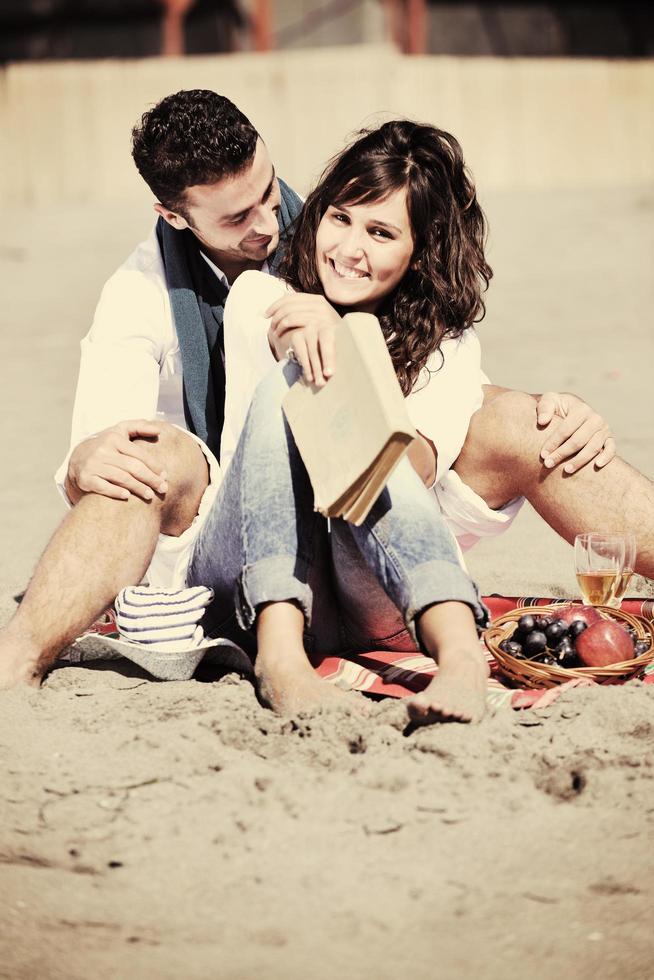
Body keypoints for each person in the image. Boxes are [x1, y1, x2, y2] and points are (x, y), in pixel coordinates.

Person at [0, 91, 650, 693]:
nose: (271, 224)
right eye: (337, 218)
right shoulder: (187, 295)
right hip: (244, 550)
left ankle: (451, 653)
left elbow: (416, 455)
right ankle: (20, 662)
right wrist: (86, 457)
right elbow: (157, 450)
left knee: (530, 422)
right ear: (173, 215)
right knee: (183, 438)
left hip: (377, 569)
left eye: (270, 192)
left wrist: (548, 405)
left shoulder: (411, 312)